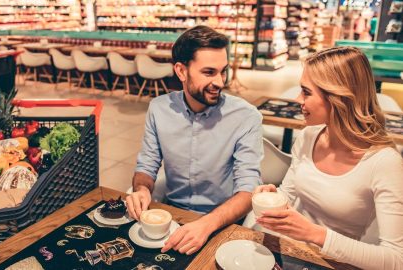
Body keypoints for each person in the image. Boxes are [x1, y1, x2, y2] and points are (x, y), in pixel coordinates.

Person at [251, 47, 403, 270]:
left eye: (306, 92)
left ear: (338, 98)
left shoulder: (384, 162)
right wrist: (273, 197)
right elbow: (289, 194)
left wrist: (314, 234)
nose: (297, 99)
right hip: (287, 252)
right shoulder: (308, 136)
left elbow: (396, 259)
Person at [126, 25, 263, 255]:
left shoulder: (246, 116)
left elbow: (249, 190)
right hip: (171, 215)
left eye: (223, 71)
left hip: (222, 221)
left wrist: (206, 224)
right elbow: (146, 166)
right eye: (209, 72)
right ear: (181, 71)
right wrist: (141, 190)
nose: (220, 82)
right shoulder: (158, 109)